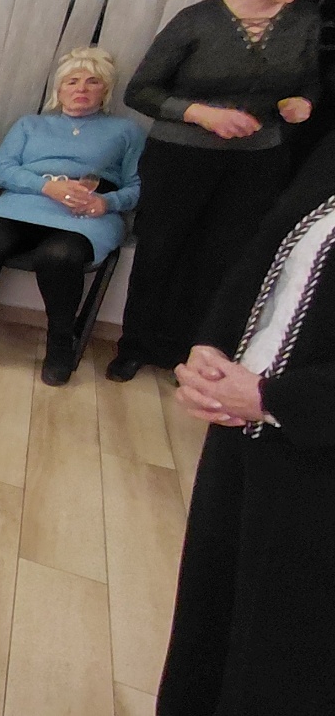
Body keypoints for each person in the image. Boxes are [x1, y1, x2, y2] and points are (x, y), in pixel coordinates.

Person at [156, 138, 335, 715]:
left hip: (314, 452)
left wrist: (272, 397)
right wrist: (213, 345)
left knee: (286, 651)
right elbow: (270, 246)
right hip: (243, 429)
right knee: (210, 616)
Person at [107, 0, 321, 382]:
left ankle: (191, 354)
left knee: (222, 260)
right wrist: (202, 114)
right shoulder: (197, 20)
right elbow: (140, 91)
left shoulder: (304, 20)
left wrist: (302, 102)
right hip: (181, 158)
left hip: (258, 161)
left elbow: (308, 81)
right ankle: (135, 346)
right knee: (160, 252)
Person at [0, 47, 144, 385]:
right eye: (72, 81)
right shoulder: (30, 124)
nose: (81, 89)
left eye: (92, 82)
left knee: (59, 255)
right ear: (58, 89)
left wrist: (108, 203)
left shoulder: (126, 131)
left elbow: (138, 186)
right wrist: (47, 187)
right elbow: (0, 170)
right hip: (25, 201)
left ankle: (60, 343)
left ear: (106, 89)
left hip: (85, 213)